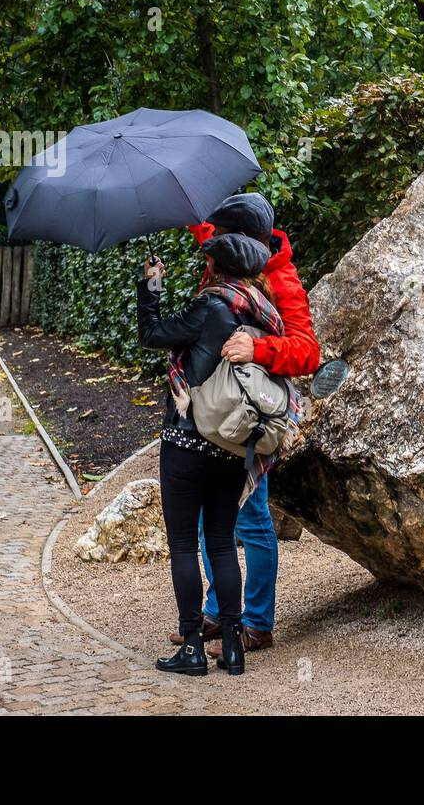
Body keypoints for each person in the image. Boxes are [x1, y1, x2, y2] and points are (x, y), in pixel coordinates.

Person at [162, 192, 320, 658]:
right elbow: (199, 226)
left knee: (251, 522)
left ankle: (257, 622)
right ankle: (217, 612)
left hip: (248, 419)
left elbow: (308, 352)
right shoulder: (233, 244)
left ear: (243, 240)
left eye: (221, 236)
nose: (212, 242)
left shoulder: (281, 277)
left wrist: (259, 351)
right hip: (213, 413)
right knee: (218, 521)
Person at [138, 231, 286, 677]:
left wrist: (151, 286)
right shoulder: (266, 314)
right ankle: (234, 647)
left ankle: (192, 650)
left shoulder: (210, 306)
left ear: (215, 268)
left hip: (186, 441)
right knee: (222, 543)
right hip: (232, 444)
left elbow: (152, 334)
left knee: (184, 543)